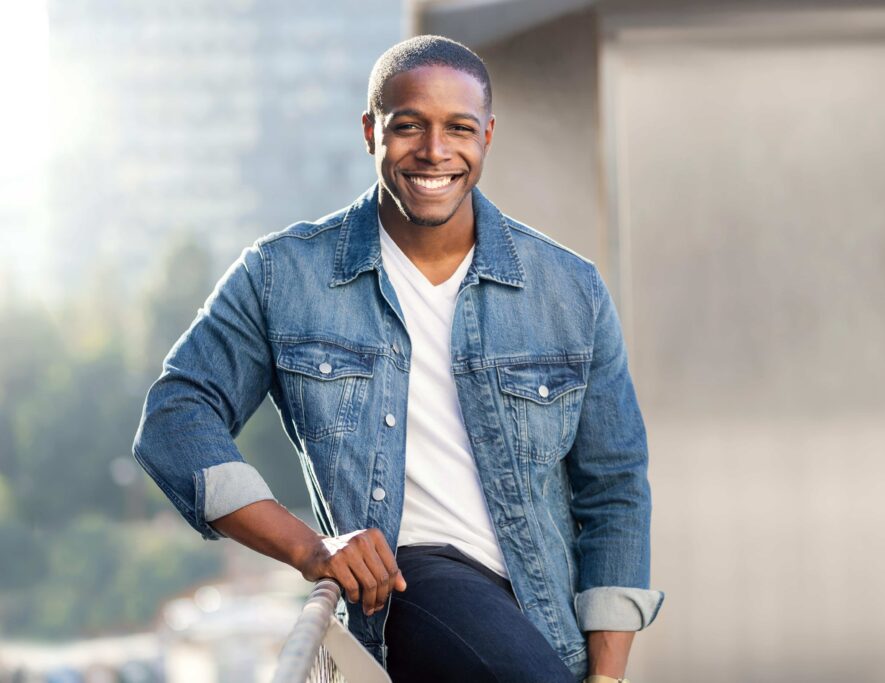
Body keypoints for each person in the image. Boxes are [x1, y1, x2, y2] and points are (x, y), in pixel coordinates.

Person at [133, 35, 662, 683]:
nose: (435, 151)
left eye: (459, 128)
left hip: (546, 630)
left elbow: (615, 489)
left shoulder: (570, 289)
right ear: (369, 131)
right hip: (411, 583)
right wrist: (309, 545)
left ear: (488, 136)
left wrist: (606, 675)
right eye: (408, 126)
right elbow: (174, 419)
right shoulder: (283, 276)